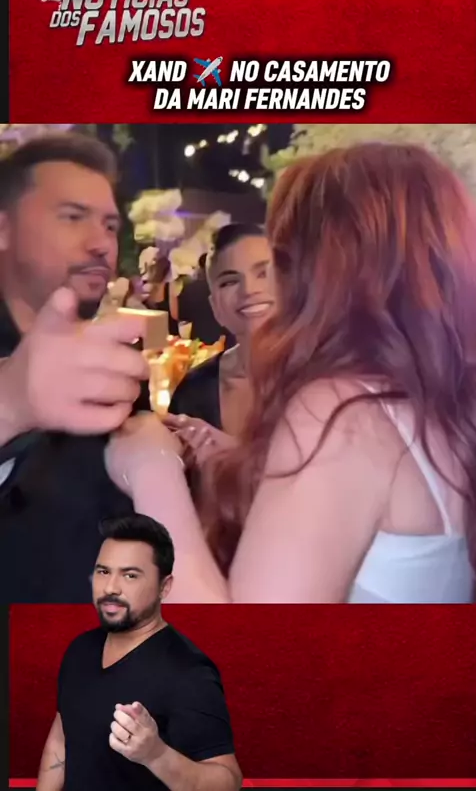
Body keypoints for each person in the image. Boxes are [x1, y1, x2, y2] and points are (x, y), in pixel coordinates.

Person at [105, 143, 476, 603]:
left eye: (279, 261)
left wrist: (151, 468)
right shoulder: (436, 402)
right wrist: (245, 466)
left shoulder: (343, 412)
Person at [0, 132, 151, 603]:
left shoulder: (113, 360)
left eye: (110, 225)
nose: (101, 243)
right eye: (72, 217)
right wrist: (10, 403)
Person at [36, 513, 241, 791]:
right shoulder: (79, 650)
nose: (111, 587)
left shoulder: (188, 672)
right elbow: (61, 742)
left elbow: (228, 782)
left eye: (130, 575)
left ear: (164, 587)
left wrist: (156, 755)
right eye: (103, 571)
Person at [167, 224, 275, 466]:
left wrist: (233, 457)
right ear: (215, 307)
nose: (249, 290)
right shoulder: (194, 391)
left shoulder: (330, 382)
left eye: (263, 273)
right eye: (229, 282)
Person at [177, 252, 226, 345]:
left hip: (199, 344)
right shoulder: (228, 289)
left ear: (201, 268)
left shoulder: (190, 288)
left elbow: (183, 317)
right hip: (226, 343)